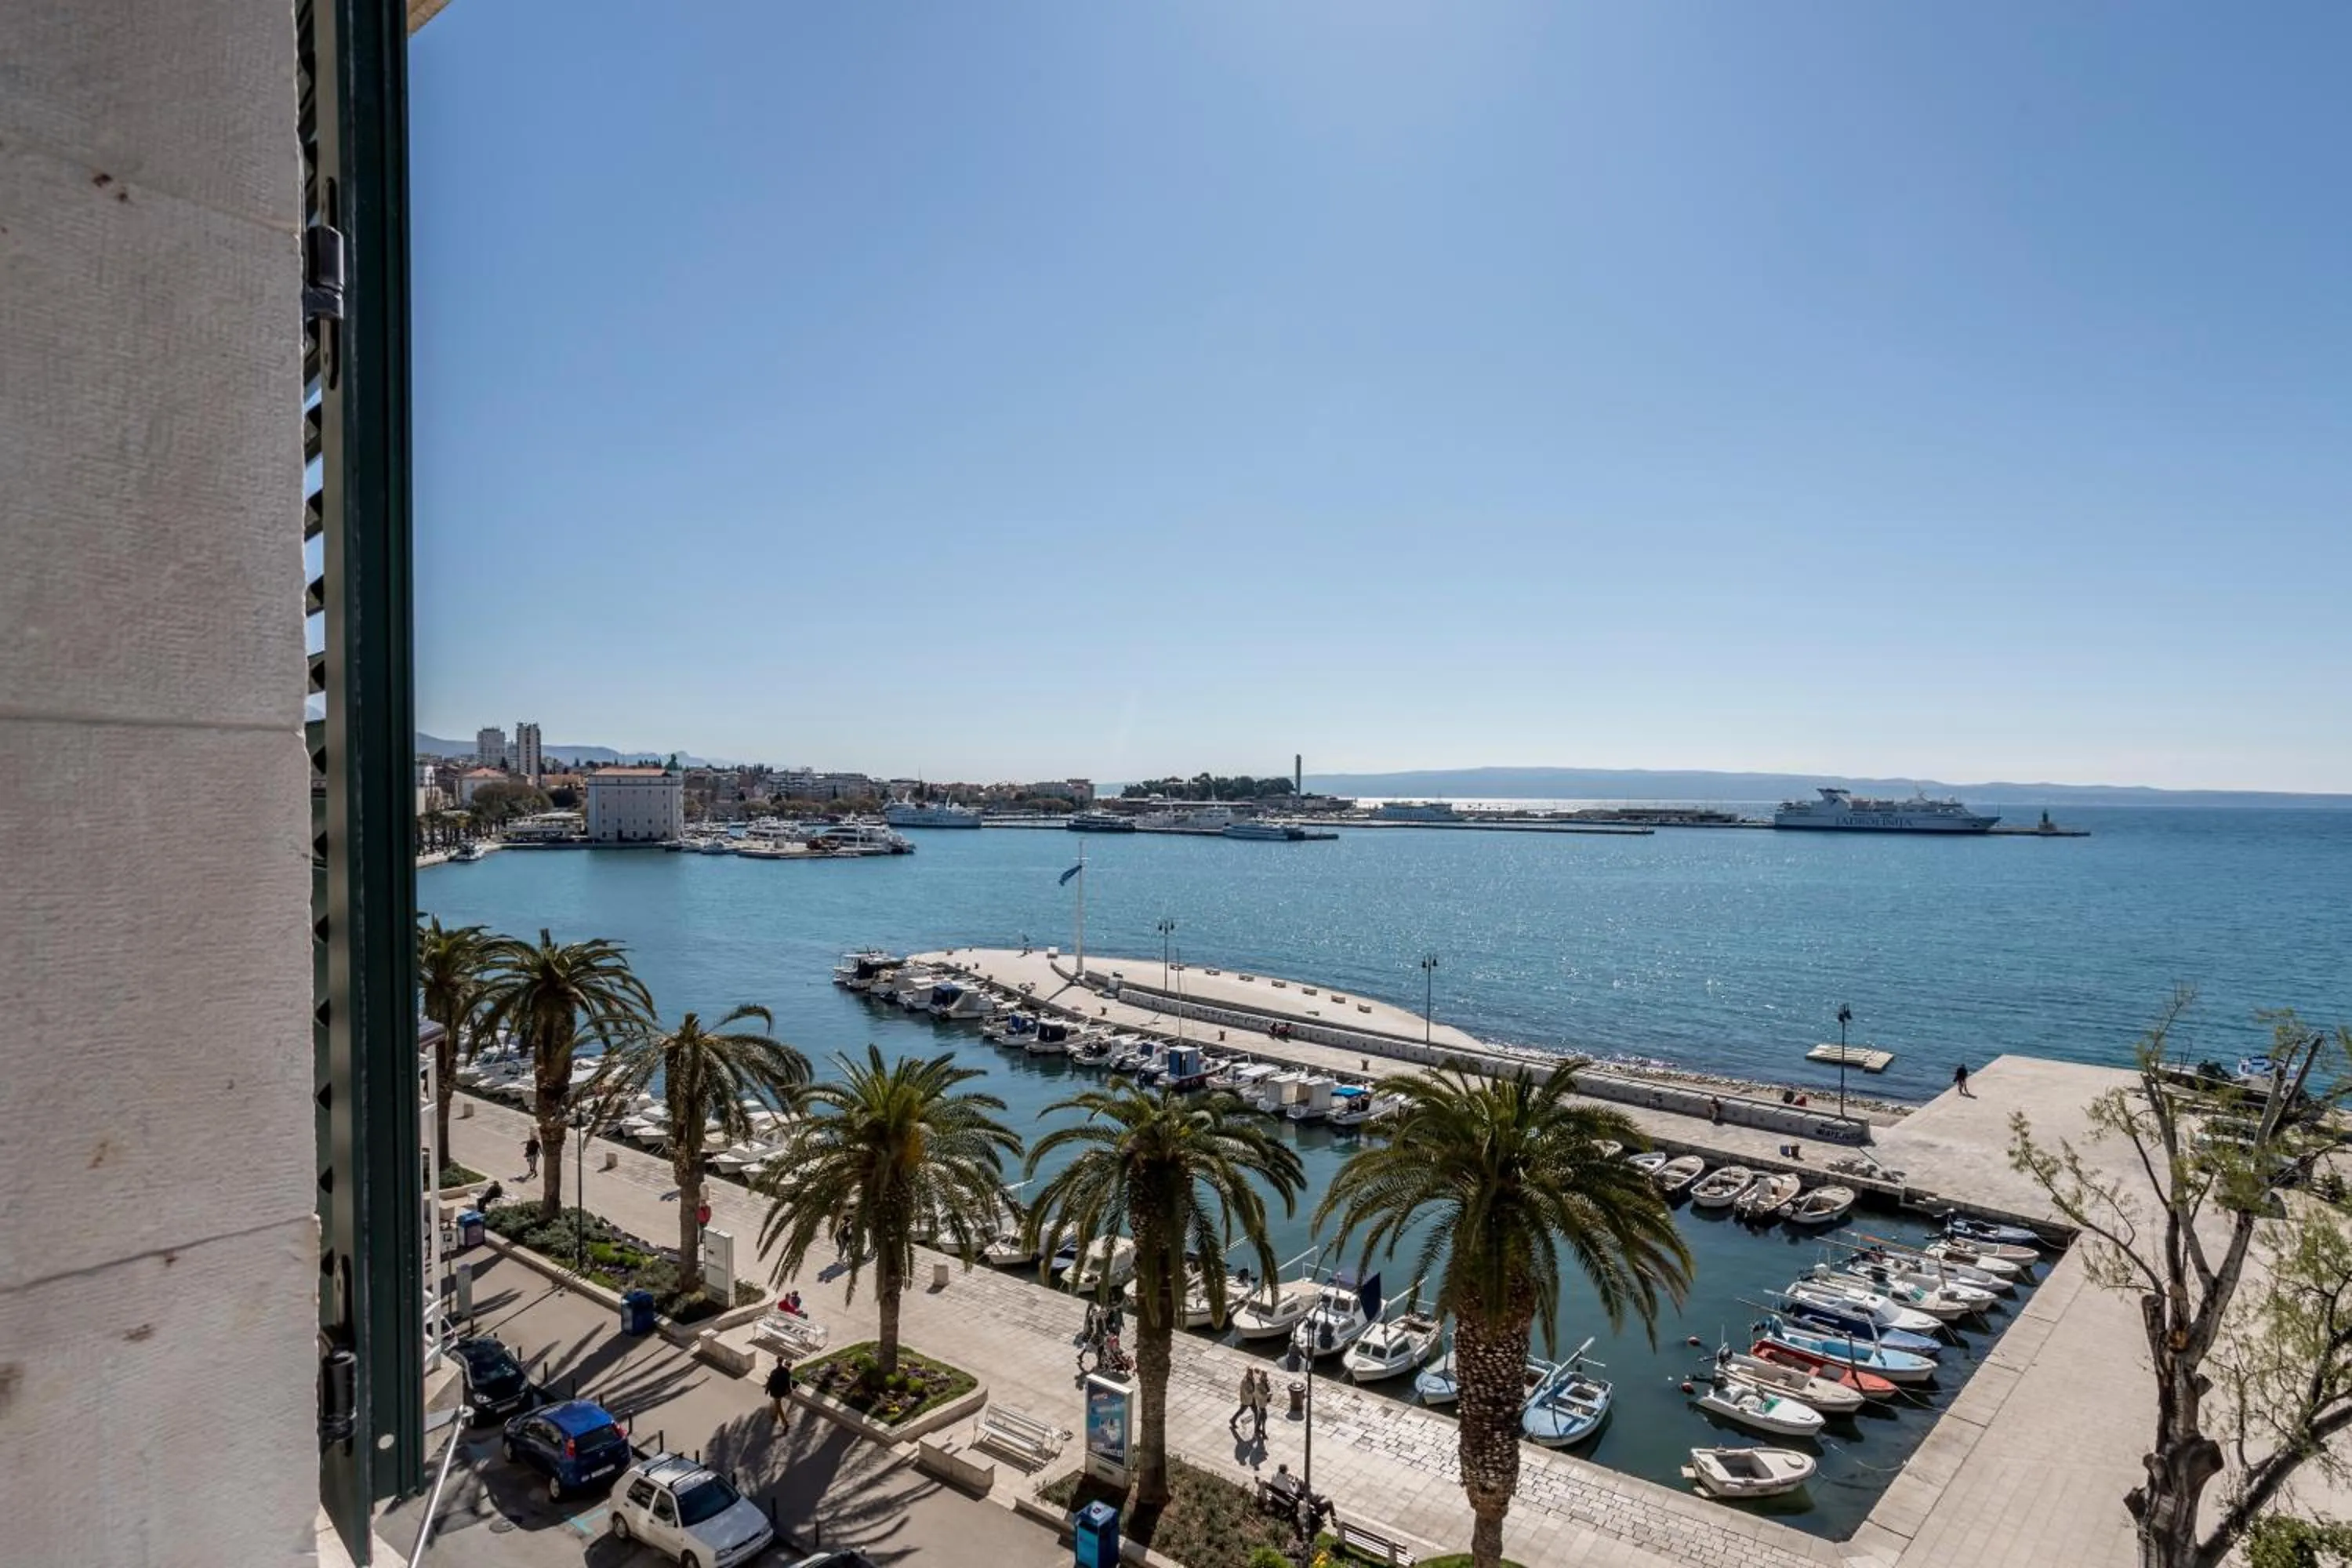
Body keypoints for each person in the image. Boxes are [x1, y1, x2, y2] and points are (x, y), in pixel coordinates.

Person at [765, 1354, 795, 1421]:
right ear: (783, 1361)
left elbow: (770, 1381)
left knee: (778, 1406)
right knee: (777, 1403)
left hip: (776, 1392)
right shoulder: (786, 1371)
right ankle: (775, 1416)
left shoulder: (774, 1371)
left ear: (777, 1361)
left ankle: (785, 1422)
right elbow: (788, 1381)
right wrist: (789, 1390)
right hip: (782, 1391)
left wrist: (767, 1390)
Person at [1232, 1366, 1255, 1436]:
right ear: (1247, 1373)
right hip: (1247, 1399)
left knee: (1256, 1412)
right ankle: (1232, 1420)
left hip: (1252, 1399)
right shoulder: (1245, 1382)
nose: (1251, 1374)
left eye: (1252, 1373)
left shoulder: (1252, 1379)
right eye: (1250, 1373)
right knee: (1241, 1411)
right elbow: (1247, 1393)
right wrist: (1255, 1392)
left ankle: (1257, 1427)